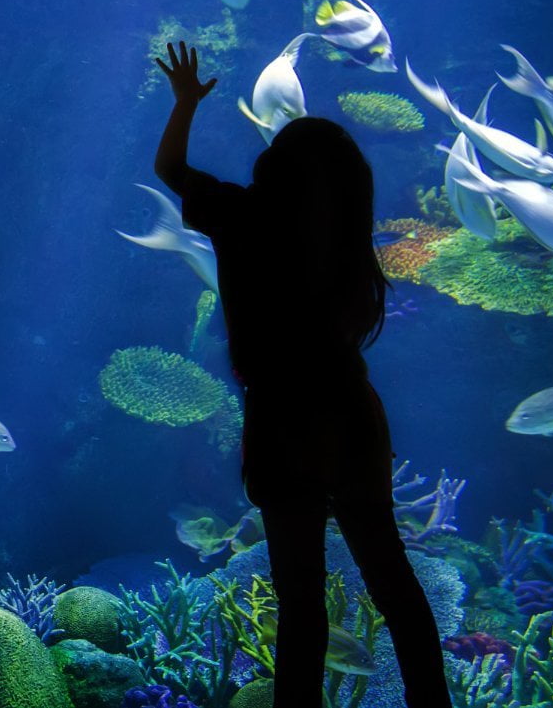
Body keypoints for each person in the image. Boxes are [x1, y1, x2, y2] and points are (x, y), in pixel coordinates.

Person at [152, 41, 450, 708]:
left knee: (300, 601)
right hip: (349, 411)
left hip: (284, 420)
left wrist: (185, 103)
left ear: (275, 168)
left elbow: (169, 166)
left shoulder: (241, 216)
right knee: (394, 581)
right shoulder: (345, 242)